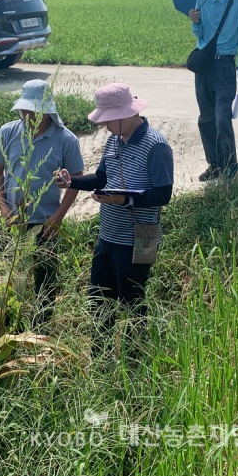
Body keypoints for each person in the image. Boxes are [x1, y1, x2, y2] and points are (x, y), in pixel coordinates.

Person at [53, 83, 173, 344]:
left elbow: (163, 194)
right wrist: (71, 182)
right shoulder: (113, 141)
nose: (105, 126)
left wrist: (125, 200)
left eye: (108, 120)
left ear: (125, 114)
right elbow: (101, 178)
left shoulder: (156, 146)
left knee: (131, 304)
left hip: (135, 240)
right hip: (107, 237)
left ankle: (133, 361)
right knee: (99, 302)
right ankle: (101, 356)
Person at [0, 80, 85, 326]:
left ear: (47, 111)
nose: (28, 116)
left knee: (45, 280)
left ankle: (40, 329)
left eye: (34, 111)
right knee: (7, 277)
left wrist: (59, 216)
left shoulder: (66, 140)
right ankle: (8, 326)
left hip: (46, 223)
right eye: (25, 111)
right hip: (11, 220)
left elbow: (77, 180)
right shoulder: (8, 132)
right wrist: (3, 206)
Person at [188, 0, 238, 181]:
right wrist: (196, 23)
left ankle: (230, 166)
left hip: (225, 65)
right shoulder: (201, 1)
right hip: (204, 65)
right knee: (205, 117)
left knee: (222, 118)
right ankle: (214, 164)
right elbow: (201, 36)